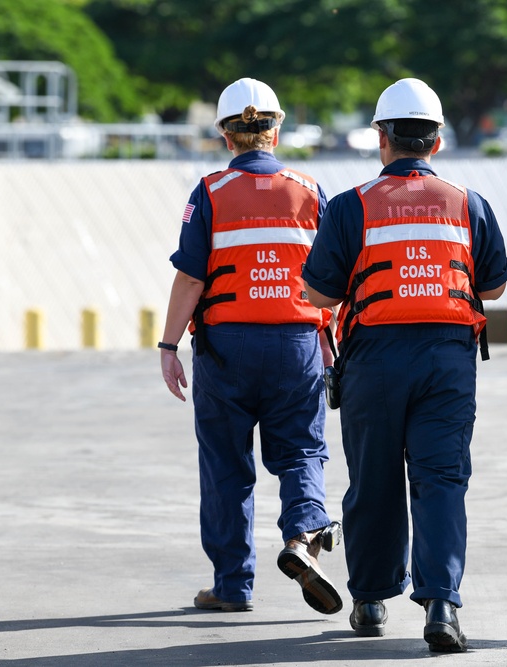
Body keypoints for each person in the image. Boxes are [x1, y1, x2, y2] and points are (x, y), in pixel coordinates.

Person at [302, 78, 507, 652]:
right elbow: (491, 286)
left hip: (374, 357)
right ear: (436, 141)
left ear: (381, 137)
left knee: (374, 479)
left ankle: (370, 601)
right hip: (448, 360)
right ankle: (441, 603)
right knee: (442, 479)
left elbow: (319, 296)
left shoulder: (350, 206)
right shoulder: (469, 203)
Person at [158, 77, 343, 617]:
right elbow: (330, 280)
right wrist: (328, 336)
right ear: (276, 129)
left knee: (225, 466)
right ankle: (303, 535)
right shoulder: (310, 192)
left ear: (225, 134)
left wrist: (168, 346)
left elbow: (190, 279)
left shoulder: (210, 192)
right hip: (297, 343)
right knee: (302, 451)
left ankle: (232, 584)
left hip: (225, 348)